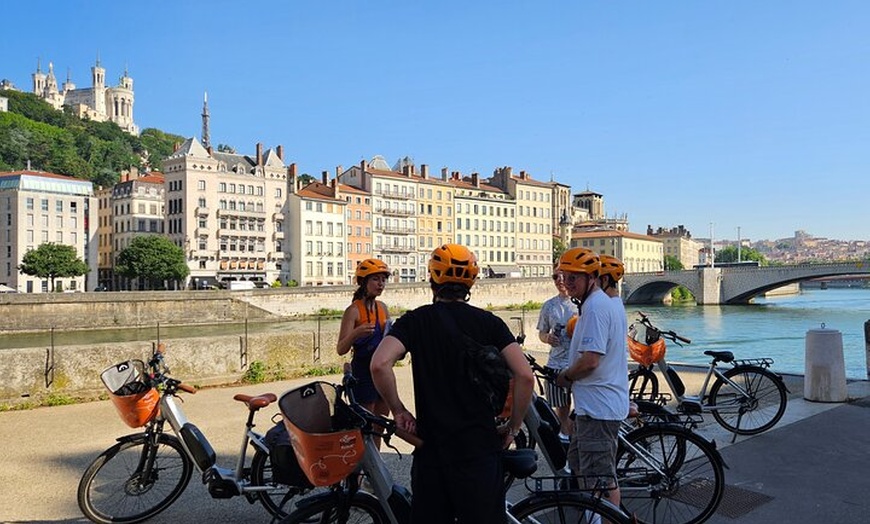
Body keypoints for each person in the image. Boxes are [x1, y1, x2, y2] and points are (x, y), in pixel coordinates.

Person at [371, 244, 535, 524]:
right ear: (471, 282)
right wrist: (513, 427)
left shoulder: (416, 320)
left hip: (433, 453)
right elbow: (525, 376)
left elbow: (379, 364)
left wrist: (398, 410)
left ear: (432, 279)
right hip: (480, 452)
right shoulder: (490, 323)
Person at [555, 247, 629, 509]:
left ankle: (609, 517)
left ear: (593, 278)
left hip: (599, 409)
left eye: (574, 277)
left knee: (602, 480)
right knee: (580, 465)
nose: (567, 282)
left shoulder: (596, 308)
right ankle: (593, 515)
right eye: (564, 276)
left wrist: (566, 376)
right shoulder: (595, 305)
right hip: (593, 407)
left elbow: (590, 360)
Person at [337, 258, 392, 433]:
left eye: (383, 279)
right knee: (366, 425)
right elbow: (341, 349)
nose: (381, 284)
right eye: (375, 279)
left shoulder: (382, 308)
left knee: (381, 424)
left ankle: (377, 451)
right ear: (363, 282)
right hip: (363, 372)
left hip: (383, 370)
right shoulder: (353, 311)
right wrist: (356, 333)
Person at [536, 266, 574, 442]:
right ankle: (565, 437)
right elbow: (541, 333)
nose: (559, 280)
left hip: (577, 362)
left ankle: (574, 435)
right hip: (556, 363)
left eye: (562, 276)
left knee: (583, 405)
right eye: (555, 277)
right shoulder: (549, 305)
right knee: (561, 406)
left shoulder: (580, 303)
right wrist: (547, 338)